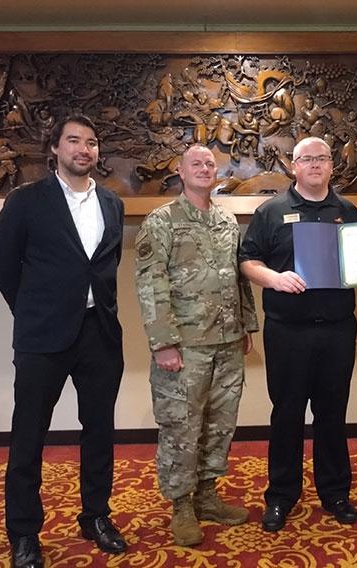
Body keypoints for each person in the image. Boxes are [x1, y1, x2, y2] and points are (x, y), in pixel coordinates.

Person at [0, 115, 127, 568]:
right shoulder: (25, 201)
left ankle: (95, 515)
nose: (83, 149)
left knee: (100, 432)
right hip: (42, 336)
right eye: (73, 141)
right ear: (54, 149)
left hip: (99, 333)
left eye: (91, 142)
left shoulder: (112, 203)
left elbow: (105, 268)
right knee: (29, 436)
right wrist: (32, 311)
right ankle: (25, 533)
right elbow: (4, 269)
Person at [134, 144, 259, 547]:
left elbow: (237, 277)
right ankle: (181, 504)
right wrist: (162, 343)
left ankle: (207, 494)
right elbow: (151, 285)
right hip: (185, 346)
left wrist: (247, 327)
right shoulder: (162, 221)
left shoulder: (225, 219)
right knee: (182, 428)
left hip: (226, 341)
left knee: (220, 424)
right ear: (180, 171)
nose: (205, 168)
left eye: (210, 163)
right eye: (197, 163)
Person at [239, 136, 357, 532]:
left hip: (337, 331)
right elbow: (247, 260)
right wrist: (273, 278)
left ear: (331, 166)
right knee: (287, 415)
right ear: (294, 166)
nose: (314, 164)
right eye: (306, 158)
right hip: (288, 332)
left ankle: (335, 492)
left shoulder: (347, 210)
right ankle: (281, 495)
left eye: (322, 158)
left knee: (332, 415)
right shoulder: (271, 211)